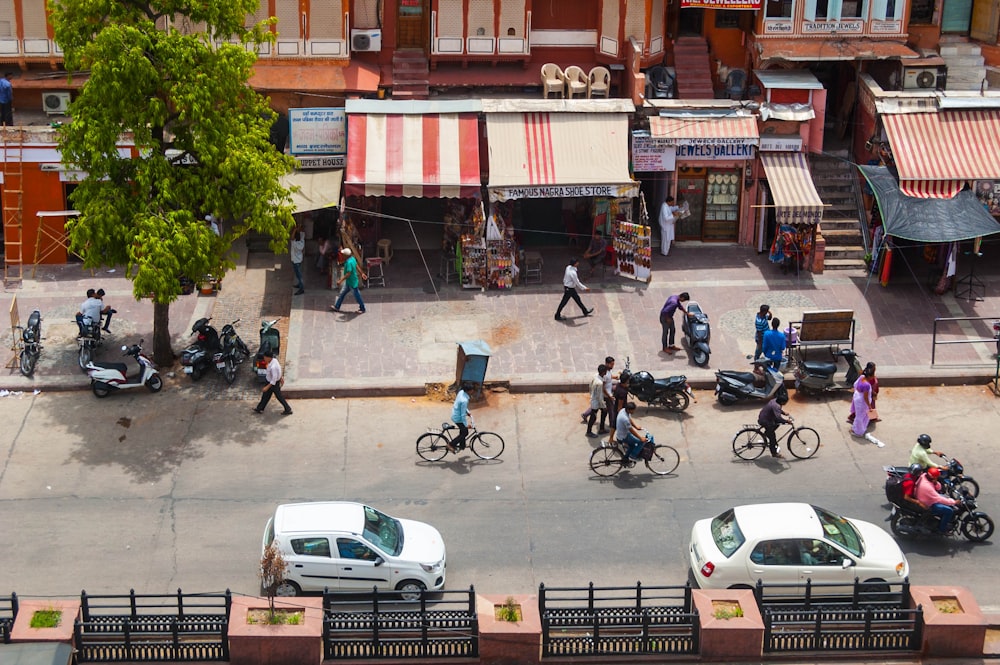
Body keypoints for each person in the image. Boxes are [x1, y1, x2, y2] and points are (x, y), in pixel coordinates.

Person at [913, 466, 958, 533]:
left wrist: (935, 482)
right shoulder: (928, 487)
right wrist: (953, 502)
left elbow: (938, 488)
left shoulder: (924, 475)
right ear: (933, 477)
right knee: (949, 511)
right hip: (927, 503)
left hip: (925, 497)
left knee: (945, 497)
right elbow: (938, 498)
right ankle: (942, 529)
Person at [253, 350, 292, 415]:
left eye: (265, 357)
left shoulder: (273, 367)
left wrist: (267, 387)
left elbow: (274, 379)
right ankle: (259, 408)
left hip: (272, 384)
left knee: (278, 396)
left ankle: (288, 409)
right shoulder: (274, 360)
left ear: (268, 357)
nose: (264, 359)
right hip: (271, 382)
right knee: (265, 396)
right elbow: (279, 370)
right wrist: (281, 377)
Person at [330, 248, 366, 314]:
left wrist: (340, 280)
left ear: (346, 256)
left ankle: (362, 308)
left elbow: (348, 274)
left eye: (343, 254)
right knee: (342, 294)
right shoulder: (352, 259)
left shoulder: (349, 262)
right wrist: (362, 273)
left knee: (357, 296)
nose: (342, 255)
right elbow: (357, 266)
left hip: (352, 283)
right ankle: (337, 306)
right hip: (349, 282)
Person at [757, 393, 791, 458]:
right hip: (765, 421)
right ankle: (774, 453)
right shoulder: (777, 406)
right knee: (772, 438)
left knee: (777, 423)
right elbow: (778, 418)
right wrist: (786, 421)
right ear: (781, 402)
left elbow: (776, 411)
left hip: (764, 417)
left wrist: (783, 413)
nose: (785, 403)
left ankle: (768, 433)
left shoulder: (774, 400)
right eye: (785, 402)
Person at [850, 365, 875, 438]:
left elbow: (855, 385)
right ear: (869, 376)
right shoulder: (866, 385)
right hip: (862, 402)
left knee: (859, 415)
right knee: (861, 417)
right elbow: (865, 397)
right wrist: (869, 406)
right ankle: (858, 431)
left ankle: (855, 428)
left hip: (857, 398)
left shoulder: (861, 377)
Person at [448, 382, 472, 453]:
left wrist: (467, 411)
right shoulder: (464, 400)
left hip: (455, 413)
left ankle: (462, 445)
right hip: (458, 418)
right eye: (472, 390)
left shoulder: (461, 392)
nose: (472, 391)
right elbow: (462, 415)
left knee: (463, 431)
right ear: (469, 390)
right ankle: (451, 444)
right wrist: (466, 425)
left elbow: (462, 407)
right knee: (465, 433)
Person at [586, 365, 608, 438]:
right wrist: (603, 405)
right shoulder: (599, 383)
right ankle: (589, 431)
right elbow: (599, 396)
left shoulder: (595, 376)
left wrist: (591, 393)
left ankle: (601, 428)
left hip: (594, 398)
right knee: (593, 416)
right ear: (603, 372)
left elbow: (590, 385)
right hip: (596, 402)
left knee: (604, 413)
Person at [290, 226, 305, 295]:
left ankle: (301, 288)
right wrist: (299, 227)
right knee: (298, 274)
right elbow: (302, 232)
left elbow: (292, 237)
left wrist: (295, 229)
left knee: (299, 275)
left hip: (295, 260)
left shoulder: (294, 243)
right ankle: (299, 285)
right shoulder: (302, 241)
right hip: (299, 259)